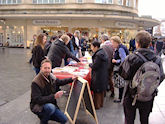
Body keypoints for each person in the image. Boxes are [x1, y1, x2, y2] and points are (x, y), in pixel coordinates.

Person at [118, 31, 165, 124]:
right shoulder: (157, 59)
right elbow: (161, 77)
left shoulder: (131, 58)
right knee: (144, 119)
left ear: (137, 43)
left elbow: (123, 74)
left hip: (131, 94)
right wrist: (148, 85)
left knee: (129, 119)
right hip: (148, 95)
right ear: (150, 43)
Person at [30, 59, 77, 124]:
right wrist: (54, 96)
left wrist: (71, 79)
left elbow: (60, 82)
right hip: (39, 106)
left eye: (48, 68)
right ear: (41, 68)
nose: (47, 70)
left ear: (51, 68)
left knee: (64, 120)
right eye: (45, 68)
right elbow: (37, 100)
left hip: (50, 104)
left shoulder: (51, 77)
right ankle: (43, 120)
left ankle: (47, 115)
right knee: (50, 108)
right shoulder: (36, 82)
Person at [89, 40, 109, 109]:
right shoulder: (103, 52)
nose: (91, 48)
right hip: (103, 74)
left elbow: (95, 66)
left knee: (97, 91)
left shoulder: (98, 55)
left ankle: (96, 106)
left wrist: (90, 65)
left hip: (98, 75)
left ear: (96, 47)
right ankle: (100, 104)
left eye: (92, 47)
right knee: (101, 91)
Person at [111, 36, 129, 103]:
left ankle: (120, 98)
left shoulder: (120, 49)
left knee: (120, 83)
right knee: (120, 83)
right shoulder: (120, 47)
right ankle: (121, 97)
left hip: (120, 68)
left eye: (112, 43)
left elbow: (123, 59)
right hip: (121, 68)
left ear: (116, 42)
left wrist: (116, 61)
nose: (112, 45)